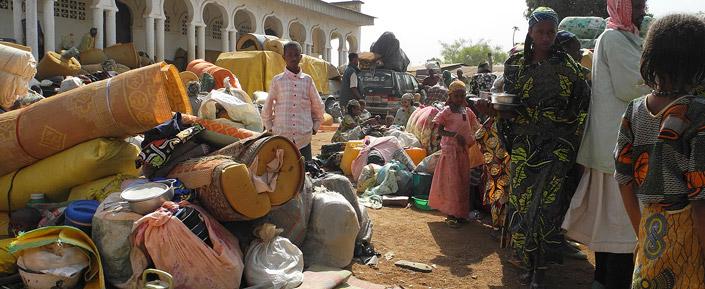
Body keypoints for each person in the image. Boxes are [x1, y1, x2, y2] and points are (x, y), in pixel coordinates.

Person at [480, 7, 590, 287]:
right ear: (530, 32)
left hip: (556, 145)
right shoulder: (514, 64)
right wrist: (500, 113)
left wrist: (568, 138)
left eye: (551, 32)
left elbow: (582, 103)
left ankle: (541, 267)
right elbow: (508, 101)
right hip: (524, 145)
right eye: (540, 32)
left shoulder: (568, 66)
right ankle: (527, 262)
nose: (546, 37)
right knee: (522, 203)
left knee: (547, 205)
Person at [561, 0, 651, 288]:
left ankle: (602, 278)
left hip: (614, 145)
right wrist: (668, 86)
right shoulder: (613, 38)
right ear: (622, 7)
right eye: (636, 5)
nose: (642, 10)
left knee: (609, 221)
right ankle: (613, 280)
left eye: (643, 4)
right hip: (619, 144)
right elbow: (630, 86)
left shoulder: (624, 37)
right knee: (621, 223)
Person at [614, 14, 705, 288]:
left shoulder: (635, 109)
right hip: (691, 234)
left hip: (650, 227)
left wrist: (642, 235)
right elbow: (700, 199)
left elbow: (623, 178)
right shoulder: (698, 112)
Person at [261, 41, 325, 161]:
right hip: (282, 135)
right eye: (289, 55)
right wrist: (269, 127)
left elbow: (318, 105)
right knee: (282, 172)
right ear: (284, 57)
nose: (293, 58)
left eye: (296, 55)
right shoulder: (278, 80)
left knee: (305, 172)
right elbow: (268, 105)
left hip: (303, 137)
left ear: (301, 57)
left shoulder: (307, 80)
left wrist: (315, 126)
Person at [429, 80, 479, 228]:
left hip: (463, 153)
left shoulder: (467, 111)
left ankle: (461, 214)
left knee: (463, 183)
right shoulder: (446, 111)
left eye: (462, 95)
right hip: (450, 153)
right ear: (451, 96)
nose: (459, 98)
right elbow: (439, 130)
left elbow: (476, 127)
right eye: (456, 95)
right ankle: (451, 214)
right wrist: (455, 135)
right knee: (453, 183)